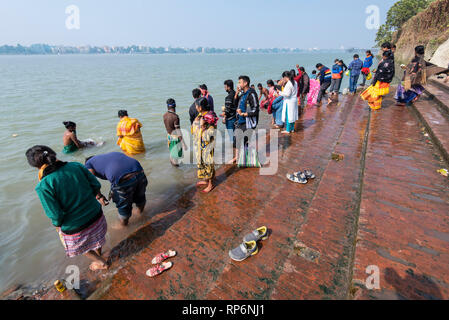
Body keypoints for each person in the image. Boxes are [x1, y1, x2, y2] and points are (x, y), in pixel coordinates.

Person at [26, 145, 109, 271]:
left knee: (76, 245)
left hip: (77, 229)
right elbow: (95, 185)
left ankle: (101, 261)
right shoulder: (76, 166)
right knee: (96, 239)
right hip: (97, 217)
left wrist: (57, 226)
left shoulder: (43, 185)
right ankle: (99, 254)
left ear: (35, 166)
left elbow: (56, 215)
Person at [85, 152, 148, 227]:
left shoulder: (88, 163)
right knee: (140, 196)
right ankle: (140, 214)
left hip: (122, 179)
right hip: (139, 171)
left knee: (123, 206)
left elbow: (91, 180)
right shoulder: (111, 155)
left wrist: (99, 196)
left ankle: (123, 226)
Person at [191, 98, 217, 193]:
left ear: (200, 107)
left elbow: (210, 134)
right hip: (200, 144)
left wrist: (202, 126)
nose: (196, 107)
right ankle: (206, 180)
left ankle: (211, 184)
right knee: (202, 161)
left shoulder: (210, 118)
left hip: (207, 145)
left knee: (208, 162)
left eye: (197, 105)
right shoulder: (200, 115)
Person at [233, 75, 260, 163]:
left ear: (245, 83)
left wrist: (244, 114)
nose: (238, 84)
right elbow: (235, 104)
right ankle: (237, 158)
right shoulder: (242, 94)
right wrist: (236, 93)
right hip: (240, 121)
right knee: (237, 139)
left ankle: (245, 159)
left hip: (248, 122)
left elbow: (256, 110)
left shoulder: (251, 94)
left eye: (240, 82)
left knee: (245, 141)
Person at [163, 98, 186, 166]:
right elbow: (178, 131)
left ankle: (173, 171)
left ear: (167, 106)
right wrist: (183, 143)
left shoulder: (164, 115)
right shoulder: (175, 117)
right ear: (175, 105)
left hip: (169, 137)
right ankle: (177, 173)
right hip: (175, 138)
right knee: (176, 158)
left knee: (172, 155)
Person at [223, 80, 237, 145]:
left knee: (232, 138)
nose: (224, 88)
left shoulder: (228, 97)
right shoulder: (236, 94)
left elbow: (228, 110)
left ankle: (235, 152)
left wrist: (224, 116)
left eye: (225, 86)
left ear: (228, 87)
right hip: (236, 117)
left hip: (230, 119)